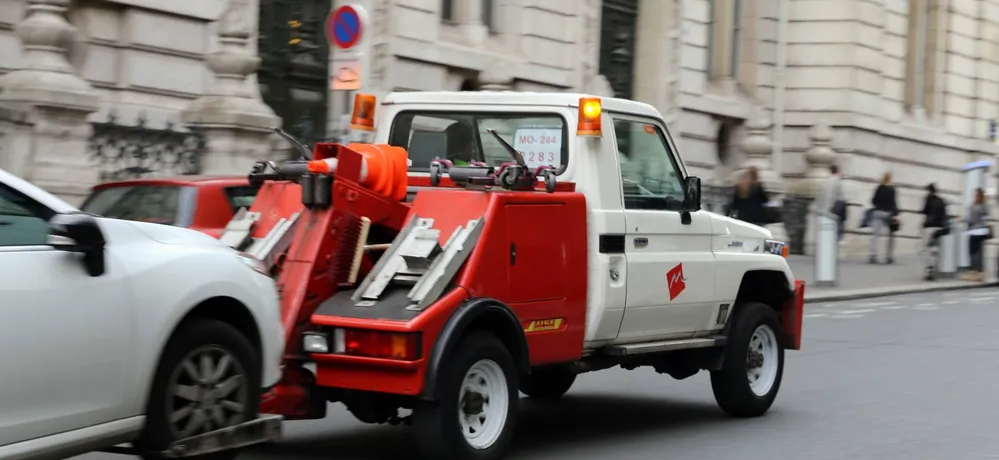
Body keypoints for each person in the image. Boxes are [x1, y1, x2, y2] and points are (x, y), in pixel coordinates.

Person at [867, 172, 899, 264]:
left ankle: (872, 255)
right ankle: (889, 256)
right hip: (888, 213)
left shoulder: (879, 188)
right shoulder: (892, 189)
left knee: (875, 235)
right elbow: (893, 203)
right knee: (891, 235)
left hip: (877, 212)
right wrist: (895, 214)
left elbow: (873, 200)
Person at [920, 183, 949, 281]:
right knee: (935, 249)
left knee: (928, 249)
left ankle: (929, 270)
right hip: (939, 227)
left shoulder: (928, 199)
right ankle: (934, 268)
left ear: (929, 191)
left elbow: (924, 211)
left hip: (929, 226)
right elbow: (945, 214)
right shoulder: (941, 201)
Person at [962, 187, 990, 282]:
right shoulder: (984, 205)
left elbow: (971, 220)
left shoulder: (974, 206)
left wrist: (962, 219)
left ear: (976, 195)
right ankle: (981, 273)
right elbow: (986, 217)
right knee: (980, 253)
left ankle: (974, 273)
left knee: (973, 252)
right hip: (983, 232)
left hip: (974, 231)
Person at [815, 164, 846, 242]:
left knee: (825, 231)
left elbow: (820, 196)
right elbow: (841, 197)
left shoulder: (824, 182)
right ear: (838, 171)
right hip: (835, 210)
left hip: (824, 210)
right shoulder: (838, 181)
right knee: (837, 230)